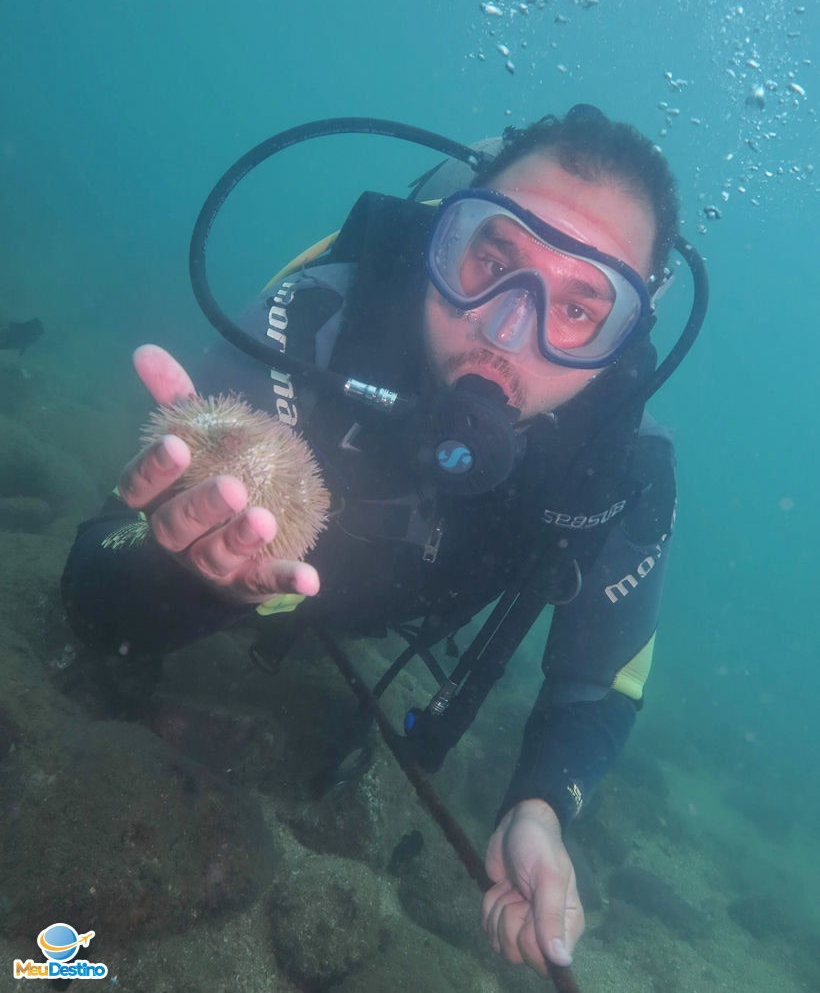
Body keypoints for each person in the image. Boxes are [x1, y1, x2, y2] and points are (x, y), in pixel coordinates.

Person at [62, 105, 698, 979]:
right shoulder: (315, 321)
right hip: (278, 589)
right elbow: (91, 597)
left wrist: (543, 805)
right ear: (444, 234)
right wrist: (178, 575)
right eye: (492, 258)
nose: (506, 331)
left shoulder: (625, 468)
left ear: (625, 339)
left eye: (582, 307)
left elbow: (600, 682)